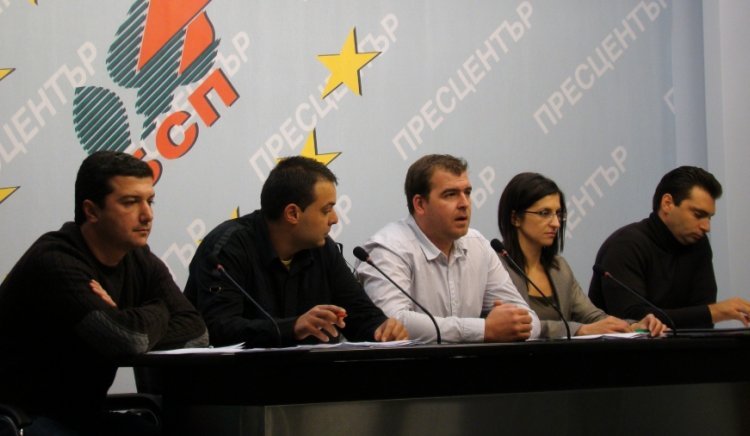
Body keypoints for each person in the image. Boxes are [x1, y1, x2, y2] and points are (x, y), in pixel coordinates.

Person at [0, 151, 208, 435]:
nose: (147, 215)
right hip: (22, 416)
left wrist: (125, 319)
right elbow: (128, 339)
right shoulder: (55, 260)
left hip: (82, 416)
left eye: (149, 201)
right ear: (92, 211)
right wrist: (159, 310)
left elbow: (197, 331)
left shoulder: (140, 259)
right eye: (130, 202)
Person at [185, 156, 407, 347]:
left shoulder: (323, 249)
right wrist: (292, 327)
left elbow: (358, 313)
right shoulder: (227, 249)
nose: (335, 219)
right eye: (326, 210)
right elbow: (218, 328)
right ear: (292, 213)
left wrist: (381, 329)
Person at [356, 154, 540, 343]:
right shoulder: (388, 248)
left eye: (467, 192)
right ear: (420, 204)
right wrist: (484, 329)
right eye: (450, 195)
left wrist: (514, 325)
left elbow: (530, 320)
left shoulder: (479, 245)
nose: (464, 204)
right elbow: (392, 323)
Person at [497, 172, 666, 338]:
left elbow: (592, 316)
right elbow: (519, 325)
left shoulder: (559, 268)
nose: (556, 223)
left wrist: (633, 326)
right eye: (544, 213)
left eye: (558, 214)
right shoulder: (497, 267)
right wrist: (579, 330)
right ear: (515, 218)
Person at [589, 166, 750, 328]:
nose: (706, 227)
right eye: (698, 215)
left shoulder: (698, 244)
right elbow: (633, 319)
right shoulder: (624, 245)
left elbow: (702, 321)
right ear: (667, 204)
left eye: (709, 217)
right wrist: (716, 312)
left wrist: (711, 313)